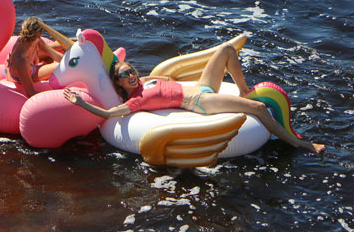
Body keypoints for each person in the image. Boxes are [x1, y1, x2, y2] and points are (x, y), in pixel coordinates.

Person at [63, 42, 325, 154]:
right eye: (124, 75)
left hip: (202, 87)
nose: (130, 75)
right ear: (119, 83)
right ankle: (302, 144)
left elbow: (168, 80)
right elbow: (109, 114)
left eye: (131, 70)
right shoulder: (137, 100)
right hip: (199, 103)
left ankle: (243, 88)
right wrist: (82, 103)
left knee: (226, 49)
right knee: (257, 107)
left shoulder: (150, 80)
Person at [6, 17, 67, 97]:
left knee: (56, 47)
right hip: (23, 72)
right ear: (39, 36)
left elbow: (54, 54)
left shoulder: (35, 41)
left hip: (28, 61)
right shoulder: (21, 61)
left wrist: (71, 59)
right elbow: (31, 93)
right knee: (60, 66)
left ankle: (76, 41)